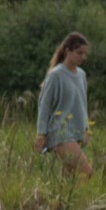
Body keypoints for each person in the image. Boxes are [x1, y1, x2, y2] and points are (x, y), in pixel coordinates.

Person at [34, 31, 93, 181]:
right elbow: (44, 105)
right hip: (60, 132)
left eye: (84, 54)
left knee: (68, 179)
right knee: (87, 171)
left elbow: (82, 103)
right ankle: (80, 203)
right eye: (79, 53)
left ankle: (63, 204)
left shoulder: (81, 75)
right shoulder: (56, 75)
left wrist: (86, 128)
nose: (83, 57)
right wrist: (41, 134)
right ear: (67, 51)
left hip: (76, 131)